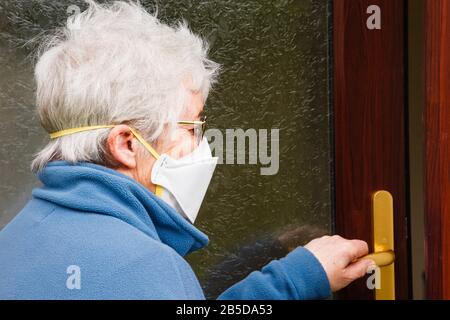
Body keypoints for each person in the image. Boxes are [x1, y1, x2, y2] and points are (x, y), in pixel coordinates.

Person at [0, 1, 374, 299]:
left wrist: (295, 276)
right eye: (192, 127)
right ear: (127, 145)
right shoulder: (145, 268)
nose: (202, 145)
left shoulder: (13, 242)